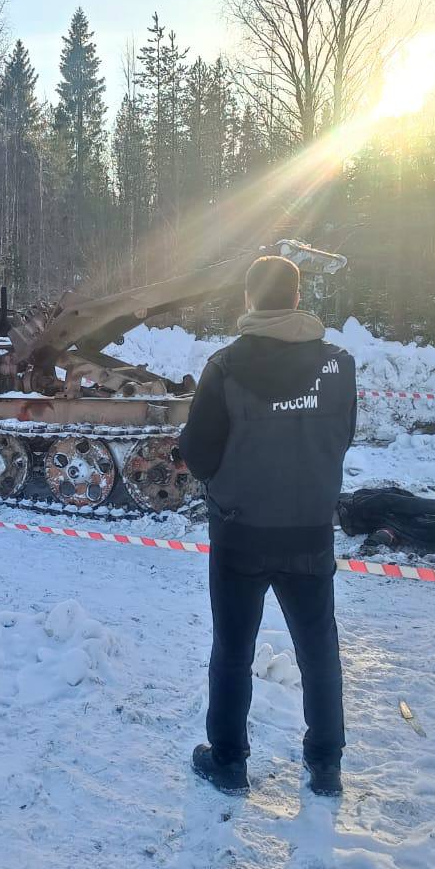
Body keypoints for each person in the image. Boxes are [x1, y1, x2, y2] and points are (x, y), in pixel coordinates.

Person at [177, 255, 357, 797]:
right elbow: (341, 436)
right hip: (308, 531)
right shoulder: (339, 364)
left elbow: (199, 453)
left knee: (232, 649)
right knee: (318, 647)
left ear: (251, 300)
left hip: (240, 532)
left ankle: (229, 762)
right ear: (297, 298)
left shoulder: (225, 367)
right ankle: (325, 765)